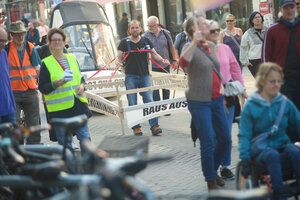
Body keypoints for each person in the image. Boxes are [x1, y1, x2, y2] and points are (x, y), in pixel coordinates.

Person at [179, 16, 231, 190]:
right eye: (203, 23)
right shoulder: (188, 47)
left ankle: (213, 169)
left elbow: (214, 70)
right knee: (208, 140)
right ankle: (210, 179)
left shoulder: (213, 46)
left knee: (225, 139)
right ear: (194, 29)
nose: (208, 25)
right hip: (199, 101)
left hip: (217, 99)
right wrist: (194, 42)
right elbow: (182, 64)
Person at [238, 62, 300, 198]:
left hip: (282, 144)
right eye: (272, 81)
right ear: (262, 82)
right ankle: (278, 192)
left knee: (295, 151)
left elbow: (298, 122)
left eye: (279, 81)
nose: (277, 85)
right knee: (272, 156)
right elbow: (244, 134)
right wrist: (245, 159)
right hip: (261, 149)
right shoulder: (251, 106)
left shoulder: (284, 102)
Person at [38, 28, 92, 153]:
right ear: (50, 43)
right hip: (59, 112)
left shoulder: (72, 58)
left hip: (78, 107)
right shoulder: (46, 63)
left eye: (59, 40)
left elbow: (80, 78)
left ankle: (88, 169)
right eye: (54, 40)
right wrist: (56, 83)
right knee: (66, 146)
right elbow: (42, 88)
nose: (57, 42)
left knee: (86, 140)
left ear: (64, 42)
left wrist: (83, 86)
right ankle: (70, 170)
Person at [206, 20, 246, 180]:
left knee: (226, 135)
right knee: (213, 135)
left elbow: (235, 69)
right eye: (212, 31)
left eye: (217, 30)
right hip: (209, 97)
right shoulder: (201, 50)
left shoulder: (225, 48)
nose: (216, 33)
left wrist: (242, 90)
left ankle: (225, 166)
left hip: (228, 95)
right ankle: (212, 169)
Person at [117, 20, 169, 136]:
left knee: (149, 100)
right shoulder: (124, 42)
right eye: (132, 28)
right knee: (132, 102)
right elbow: (118, 57)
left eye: (136, 27)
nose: (135, 30)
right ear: (129, 30)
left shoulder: (146, 41)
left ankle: (154, 126)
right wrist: (118, 63)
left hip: (145, 75)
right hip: (131, 76)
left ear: (140, 29)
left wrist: (162, 60)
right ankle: (136, 127)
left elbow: (155, 54)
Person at [5, 21, 41, 144]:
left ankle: (34, 149)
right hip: (13, 93)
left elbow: (37, 68)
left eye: (22, 34)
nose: (20, 37)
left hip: (30, 91)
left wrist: (39, 87)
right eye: (17, 34)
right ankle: (18, 150)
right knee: (14, 123)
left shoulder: (30, 47)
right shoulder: (7, 48)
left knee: (34, 123)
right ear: (12, 35)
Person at [262, 0, 300, 111]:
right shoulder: (272, 31)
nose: (289, 10)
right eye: (286, 8)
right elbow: (265, 57)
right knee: (283, 115)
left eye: (291, 7)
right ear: (281, 10)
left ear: (295, 8)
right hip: (282, 82)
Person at [144, 16, 179, 103]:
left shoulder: (166, 33)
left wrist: (174, 60)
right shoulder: (145, 36)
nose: (150, 28)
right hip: (153, 66)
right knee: (155, 89)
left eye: (152, 26)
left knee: (166, 87)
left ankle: (166, 105)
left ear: (157, 25)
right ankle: (158, 107)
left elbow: (171, 47)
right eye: (148, 26)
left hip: (165, 64)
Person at [240, 11, 266, 77]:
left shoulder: (268, 30)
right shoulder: (247, 33)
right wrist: (245, 62)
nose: (257, 19)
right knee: (260, 82)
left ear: (262, 18)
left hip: (266, 58)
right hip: (254, 61)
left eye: (259, 17)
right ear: (252, 20)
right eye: (255, 18)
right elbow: (243, 47)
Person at [0, 27, 16, 124]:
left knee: (12, 138)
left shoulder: (4, 53)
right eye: (1, 41)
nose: (3, 44)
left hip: (8, 108)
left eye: (5, 41)